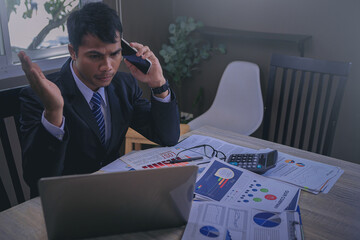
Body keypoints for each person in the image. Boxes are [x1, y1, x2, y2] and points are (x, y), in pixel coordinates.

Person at [18, 2, 180, 197]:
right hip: (67, 200)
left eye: (115, 54)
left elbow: (168, 137)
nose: (108, 67)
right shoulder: (39, 97)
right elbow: (37, 179)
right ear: (73, 51)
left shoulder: (125, 86)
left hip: (114, 193)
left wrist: (158, 83)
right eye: (95, 56)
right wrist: (54, 111)